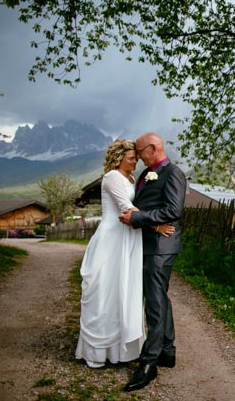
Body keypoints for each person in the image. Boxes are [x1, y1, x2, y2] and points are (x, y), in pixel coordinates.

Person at [75, 139, 174, 368]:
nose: (136, 161)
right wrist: (156, 225)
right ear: (119, 158)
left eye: (136, 157)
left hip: (128, 238)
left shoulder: (130, 178)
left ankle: (120, 351)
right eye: (131, 158)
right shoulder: (111, 178)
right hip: (112, 240)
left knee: (124, 292)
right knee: (106, 293)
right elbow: (126, 208)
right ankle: (98, 352)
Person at [119, 132, 186, 392]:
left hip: (161, 247)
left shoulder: (173, 173)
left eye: (139, 150)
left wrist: (137, 218)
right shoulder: (147, 175)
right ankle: (167, 352)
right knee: (160, 297)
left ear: (152, 148)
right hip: (149, 245)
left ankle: (149, 363)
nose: (136, 155)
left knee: (155, 303)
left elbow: (173, 211)